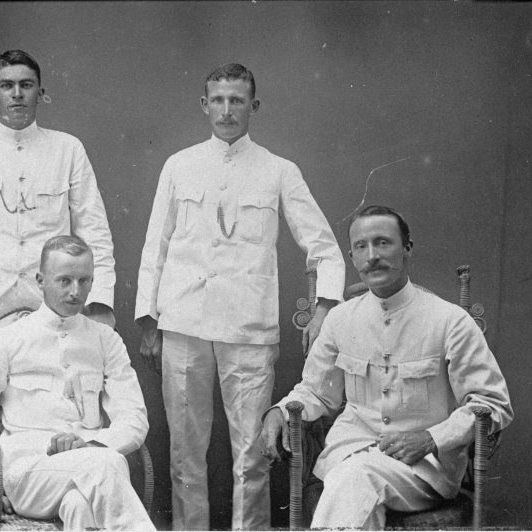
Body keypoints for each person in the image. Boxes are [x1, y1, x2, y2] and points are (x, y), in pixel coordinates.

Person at [134, 63, 345, 530]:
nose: (227, 110)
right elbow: (156, 246)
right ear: (204, 104)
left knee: (252, 457)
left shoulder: (279, 170)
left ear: (254, 106)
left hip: (249, 330)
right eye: (218, 100)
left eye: (237, 100)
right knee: (184, 455)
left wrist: (325, 308)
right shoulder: (179, 165)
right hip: (183, 323)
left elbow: (325, 248)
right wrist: (149, 321)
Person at [260, 205, 514, 529]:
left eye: (383, 243)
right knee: (354, 484)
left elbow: (493, 404)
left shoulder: (450, 321)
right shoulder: (340, 320)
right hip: (344, 456)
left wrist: (431, 438)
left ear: (407, 248)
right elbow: (315, 392)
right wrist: (279, 411)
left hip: (423, 469)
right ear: (352, 257)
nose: (372, 256)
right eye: (361, 246)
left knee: (355, 479)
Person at [0, 235, 154, 531]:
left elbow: (134, 419)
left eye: (84, 281)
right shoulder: (8, 341)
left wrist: (91, 443)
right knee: (108, 463)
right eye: (64, 281)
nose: (76, 291)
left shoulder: (106, 341)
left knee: (80, 505)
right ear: (40, 281)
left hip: (92, 470)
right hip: (29, 475)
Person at [0, 49, 116, 357]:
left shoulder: (68, 150)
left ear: (40, 93)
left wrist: (99, 303)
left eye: (26, 85)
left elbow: (94, 233)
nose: (16, 94)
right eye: (6, 86)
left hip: (56, 313)